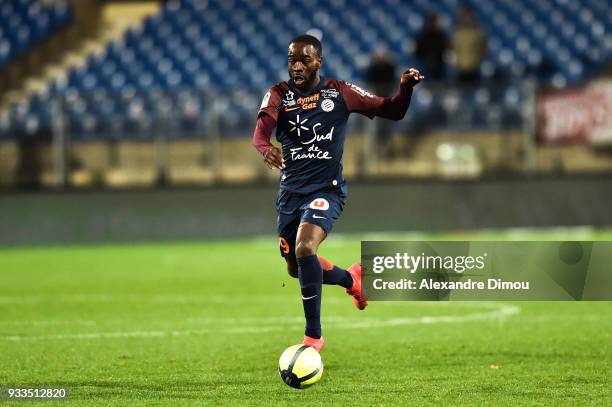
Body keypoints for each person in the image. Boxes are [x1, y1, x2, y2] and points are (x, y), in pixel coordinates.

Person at [252, 34, 423, 352]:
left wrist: (405, 89)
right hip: (290, 195)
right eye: (292, 60)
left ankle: (312, 337)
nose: (297, 66)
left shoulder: (340, 92)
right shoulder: (278, 94)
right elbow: (261, 131)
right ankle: (352, 279)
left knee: (305, 248)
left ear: (319, 61)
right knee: (295, 266)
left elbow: (393, 110)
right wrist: (266, 149)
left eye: (304, 59)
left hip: (326, 191)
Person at [364, 48, 398, 159]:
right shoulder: (372, 69)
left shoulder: (390, 68)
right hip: (376, 104)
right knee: (375, 129)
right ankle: (375, 152)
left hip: (387, 103)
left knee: (388, 129)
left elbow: (392, 83)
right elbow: (369, 84)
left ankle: (389, 152)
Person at [453, 6, 487, 83]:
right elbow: (454, 48)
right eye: (466, 16)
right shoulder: (458, 33)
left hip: (475, 68)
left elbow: (483, 49)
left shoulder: (479, 33)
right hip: (461, 69)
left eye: (470, 16)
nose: (468, 19)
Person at [415, 14, 449, 81]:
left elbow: (445, 50)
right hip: (425, 67)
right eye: (431, 22)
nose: (433, 24)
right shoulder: (422, 37)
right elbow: (418, 52)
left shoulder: (441, 36)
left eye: (434, 22)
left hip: (439, 67)